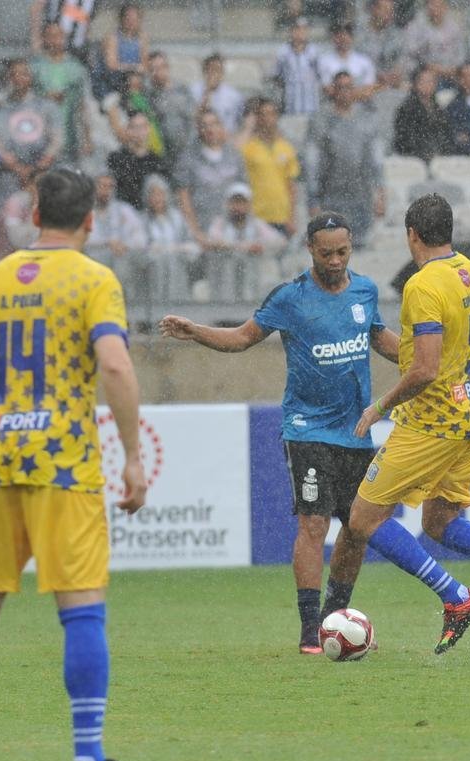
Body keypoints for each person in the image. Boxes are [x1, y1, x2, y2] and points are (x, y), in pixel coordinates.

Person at [0, 167, 147, 761]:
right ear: (92, 219)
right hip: (63, 464)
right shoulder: (95, 280)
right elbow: (116, 366)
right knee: (81, 609)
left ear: (35, 211)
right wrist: (132, 455)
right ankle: (89, 759)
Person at [323, 193, 470, 654]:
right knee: (439, 518)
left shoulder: (422, 285)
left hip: (432, 420)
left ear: (412, 234)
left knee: (363, 517)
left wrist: (379, 408)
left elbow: (425, 370)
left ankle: (458, 598)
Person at [159, 211, 398, 652]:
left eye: (342, 252)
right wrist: (196, 332)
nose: (335, 261)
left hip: (356, 432)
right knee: (313, 524)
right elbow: (242, 338)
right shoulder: (290, 297)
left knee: (358, 531)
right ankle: (312, 630)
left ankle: (336, 616)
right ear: (310, 249)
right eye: (326, 253)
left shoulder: (364, 290)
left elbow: (380, 339)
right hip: (307, 430)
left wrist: (428, 363)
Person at [305, 71, 384, 244]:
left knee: (360, 244)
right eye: (340, 87)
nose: (345, 92)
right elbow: (312, 161)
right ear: (333, 90)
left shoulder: (367, 119)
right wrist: (313, 198)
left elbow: (376, 159)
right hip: (330, 194)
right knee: (334, 245)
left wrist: (380, 193)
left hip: (361, 194)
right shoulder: (321, 120)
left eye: (349, 87)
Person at [0, 58, 62, 217]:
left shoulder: (47, 106)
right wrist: (18, 169)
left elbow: (57, 140)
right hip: (10, 176)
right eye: (13, 74)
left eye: (23, 74)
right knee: (8, 222)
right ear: (8, 78)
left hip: (42, 173)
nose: (18, 78)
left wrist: (36, 168)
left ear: (31, 77)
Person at [202, 182, 288, 302]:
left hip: (252, 282)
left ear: (249, 204)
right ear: (228, 204)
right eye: (235, 202)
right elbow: (211, 241)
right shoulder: (220, 223)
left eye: (242, 202)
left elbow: (280, 241)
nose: (238, 207)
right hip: (225, 284)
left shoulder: (257, 225)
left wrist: (262, 247)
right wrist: (242, 247)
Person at [174, 107, 247, 248]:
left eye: (214, 124)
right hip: (204, 228)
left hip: (232, 229)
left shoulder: (234, 156)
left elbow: (244, 194)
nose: (210, 129)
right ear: (199, 130)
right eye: (204, 125)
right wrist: (195, 232)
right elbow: (183, 198)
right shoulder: (188, 159)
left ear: (221, 127)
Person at [238, 97, 300, 238]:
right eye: (263, 114)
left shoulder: (286, 148)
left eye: (272, 113)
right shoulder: (249, 148)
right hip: (257, 215)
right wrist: (248, 127)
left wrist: (292, 217)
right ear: (257, 118)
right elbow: (233, 155)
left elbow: (291, 186)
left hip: (282, 216)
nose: (268, 118)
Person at [32, 20, 92, 164]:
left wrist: (87, 138)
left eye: (58, 36)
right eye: (50, 36)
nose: (55, 40)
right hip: (41, 139)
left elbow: (83, 104)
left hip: (70, 137)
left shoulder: (76, 67)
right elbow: (25, 99)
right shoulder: (34, 67)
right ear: (44, 39)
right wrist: (45, 97)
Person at [141, 173, 198, 304]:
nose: (157, 198)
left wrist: (176, 250)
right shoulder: (142, 220)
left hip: (178, 279)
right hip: (153, 280)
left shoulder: (178, 218)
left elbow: (194, 248)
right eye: (153, 194)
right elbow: (139, 250)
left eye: (160, 194)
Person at [107, 112, 167, 210]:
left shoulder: (157, 162)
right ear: (127, 130)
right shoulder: (116, 159)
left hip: (149, 215)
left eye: (143, 126)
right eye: (135, 127)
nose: (140, 132)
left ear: (149, 129)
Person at [393, 65, 449, 161]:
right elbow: (405, 138)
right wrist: (426, 152)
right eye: (424, 81)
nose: (428, 85)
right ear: (415, 84)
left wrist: (442, 151)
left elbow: (445, 133)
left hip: (437, 156)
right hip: (413, 159)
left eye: (431, 81)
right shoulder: (407, 109)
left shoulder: (438, 108)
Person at [273, 16, 322, 117]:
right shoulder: (282, 52)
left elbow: (320, 76)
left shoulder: (315, 52)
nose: (300, 32)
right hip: (290, 106)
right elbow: (277, 77)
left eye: (304, 29)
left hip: (311, 106)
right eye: (297, 28)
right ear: (291, 31)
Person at [402, 0, 464, 80]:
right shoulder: (416, 25)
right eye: (433, 5)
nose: (436, 8)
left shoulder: (454, 27)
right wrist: (429, 66)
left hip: (451, 72)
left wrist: (452, 69)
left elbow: (461, 54)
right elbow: (411, 51)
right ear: (427, 7)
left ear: (445, 7)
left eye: (439, 5)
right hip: (425, 71)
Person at [318, 20, 377, 102]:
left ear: (352, 38)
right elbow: (327, 89)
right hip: (333, 106)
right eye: (339, 36)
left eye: (346, 36)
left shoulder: (365, 61)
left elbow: (369, 89)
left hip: (360, 106)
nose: (343, 39)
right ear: (333, 38)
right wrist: (349, 95)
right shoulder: (324, 61)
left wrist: (347, 96)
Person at [30, 0, 97, 65]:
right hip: (52, 44)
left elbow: (97, 20)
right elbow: (36, 9)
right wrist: (36, 38)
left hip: (80, 49)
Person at [192, 52, 245, 134]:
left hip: (226, 140)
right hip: (201, 137)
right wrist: (207, 92)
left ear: (222, 72)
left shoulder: (234, 95)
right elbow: (194, 119)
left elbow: (240, 121)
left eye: (217, 69)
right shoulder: (193, 91)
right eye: (211, 69)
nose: (214, 73)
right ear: (204, 71)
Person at [103, 2, 149, 95]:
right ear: (122, 19)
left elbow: (145, 65)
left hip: (137, 76)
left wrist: (136, 70)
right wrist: (132, 68)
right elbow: (111, 65)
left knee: (138, 80)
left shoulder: (142, 38)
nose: (131, 22)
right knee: (133, 81)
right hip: (117, 76)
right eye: (128, 18)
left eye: (134, 18)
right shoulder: (113, 38)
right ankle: (133, 105)